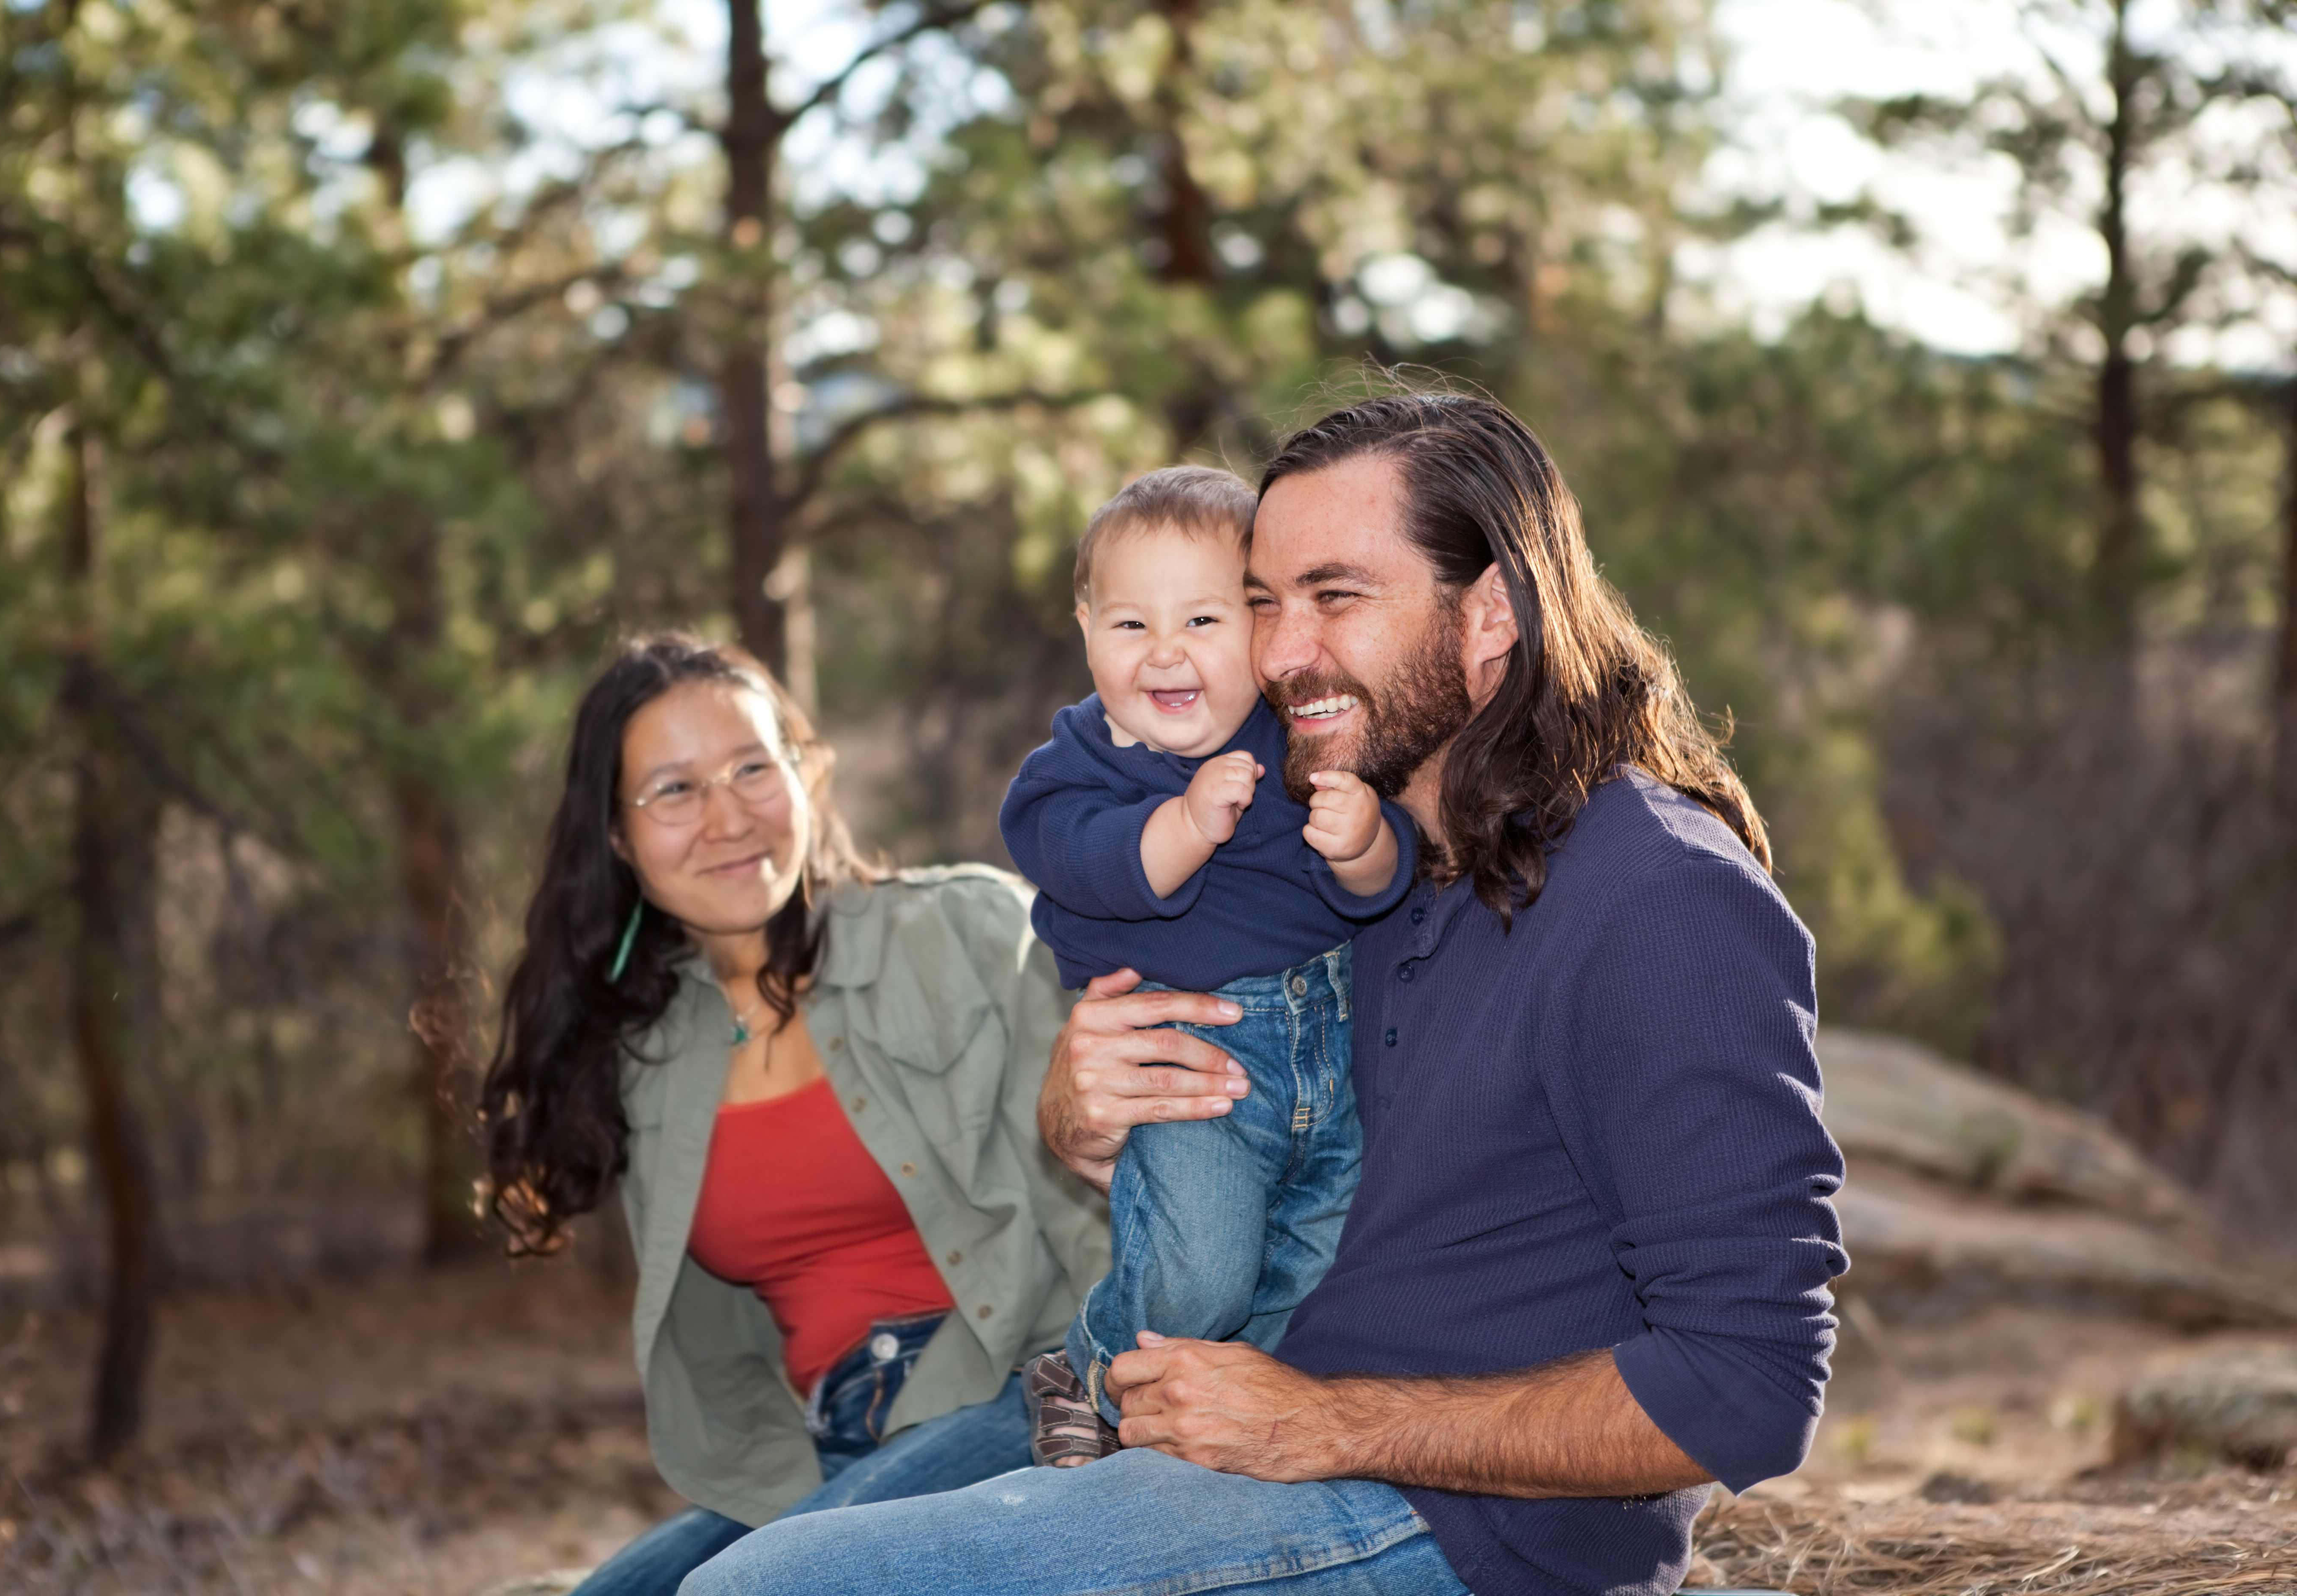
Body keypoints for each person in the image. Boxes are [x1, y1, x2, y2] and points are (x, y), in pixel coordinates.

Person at [675, 390, 1848, 1596]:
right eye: (1263, 602)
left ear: (1491, 612)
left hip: (1447, 1527)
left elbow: (1750, 1387)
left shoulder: (1659, 900)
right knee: (685, 1574)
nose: (1281, 654)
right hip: (1228, 1416)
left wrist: (1330, 1426)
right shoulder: (1350, 866)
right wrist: (1083, 1117)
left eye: (1336, 598)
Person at [478, 636, 1109, 1596]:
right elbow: (721, 1348)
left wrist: (1131, 1391)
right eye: (676, 791)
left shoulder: (969, 931)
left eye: (751, 769)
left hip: (1022, 1393)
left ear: (804, 775)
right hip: (825, 1449)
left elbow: (1112, 1189)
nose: (728, 819)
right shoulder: (645, 1053)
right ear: (615, 836)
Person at [998, 465, 1416, 1464]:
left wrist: (1362, 841)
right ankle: (1091, 1367)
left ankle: (1189, 1430)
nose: (1165, 654)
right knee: (1203, 1271)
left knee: (1319, 1265)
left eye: (1204, 622)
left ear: (1262, 633)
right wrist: (1185, 823)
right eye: (1131, 626)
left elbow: (1379, 888)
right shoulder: (1073, 773)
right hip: (1196, 1061)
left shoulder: (1300, 740)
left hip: (1336, 1046)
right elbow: (1100, 869)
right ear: (1086, 626)